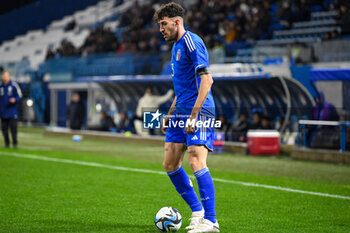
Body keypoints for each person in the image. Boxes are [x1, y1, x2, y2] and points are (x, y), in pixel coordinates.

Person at [154, 3, 219, 232]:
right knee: (170, 163)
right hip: (181, 111)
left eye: (164, 24)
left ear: (177, 21)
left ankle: (211, 221)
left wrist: (194, 116)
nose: (161, 29)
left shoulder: (192, 42)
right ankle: (197, 210)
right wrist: (170, 115)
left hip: (199, 110)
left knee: (195, 161)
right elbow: (182, 88)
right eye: (159, 25)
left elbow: (207, 81)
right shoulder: (174, 48)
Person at [0, 69, 22, 148]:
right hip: (3, 113)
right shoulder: (1, 86)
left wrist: (15, 100)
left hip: (12, 112)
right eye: (4, 76)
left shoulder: (14, 85)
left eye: (6, 76)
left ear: (9, 76)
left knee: (13, 130)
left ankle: (15, 143)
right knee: (4, 130)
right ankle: (6, 143)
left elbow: (20, 96)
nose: (5, 77)